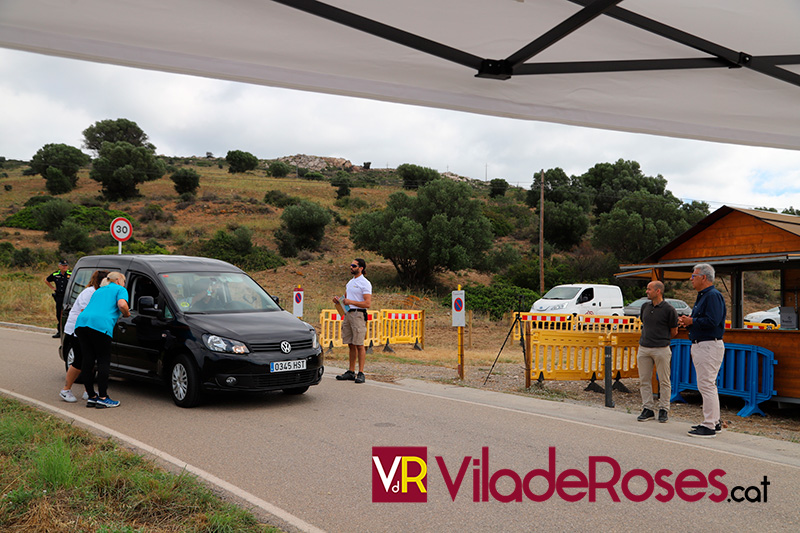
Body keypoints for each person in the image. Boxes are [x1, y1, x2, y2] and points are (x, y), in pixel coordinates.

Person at [678, 263, 726, 438]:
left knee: (706, 385)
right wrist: (690, 321)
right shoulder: (705, 296)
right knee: (708, 384)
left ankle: (709, 425)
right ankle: (715, 421)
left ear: (703, 277)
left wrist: (693, 322)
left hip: (708, 345)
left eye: (693, 276)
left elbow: (713, 321)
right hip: (704, 344)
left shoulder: (712, 296)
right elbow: (707, 319)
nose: (691, 279)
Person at [75, 271, 130, 409]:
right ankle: (103, 397)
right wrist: (127, 314)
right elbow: (122, 305)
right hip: (100, 326)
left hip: (82, 323)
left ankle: (92, 397)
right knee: (103, 360)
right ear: (118, 280)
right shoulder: (120, 289)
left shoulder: (98, 291)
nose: (124, 284)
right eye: (124, 281)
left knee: (88, 360)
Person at [59, 269, 109, 403]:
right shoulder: (89, 292)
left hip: (87, 330)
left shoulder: (99, 293)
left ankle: (88, 391)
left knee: (89, 360)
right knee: (80, 360)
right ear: (102, 281)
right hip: (76, 330)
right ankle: (66, 389)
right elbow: (86, 312)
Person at [635, 280, 678, 423]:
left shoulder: (669, 309)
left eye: (649, 289)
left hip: (661, 349)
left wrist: (661, 339)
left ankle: (664, 409)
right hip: (644, 348)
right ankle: (647, 408)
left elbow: (674, 331)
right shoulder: (644, 307)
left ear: (658, 291)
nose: (647, 291)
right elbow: (644, 323)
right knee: (644, 380)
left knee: (664, 380)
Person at [333, 258, 372, 384]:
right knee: (350, 344)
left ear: (361, 268)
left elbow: (367, 303)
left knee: (359, 344)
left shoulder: (365, 283)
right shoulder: (350, 282)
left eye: (353, 265)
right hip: (348, 314)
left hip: (358, 315)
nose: (351, 267)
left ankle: (361, 372)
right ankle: (351, 371)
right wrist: (339, 300)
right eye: (350, 265)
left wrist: (351, 302)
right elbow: (346, 299)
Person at [45, 259, 71, 338]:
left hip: (68, 297)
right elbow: (46, 280)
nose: (64, 267)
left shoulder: (71, 273)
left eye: (66, 266)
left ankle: (68, 332)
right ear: (59, 266)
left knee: (68, 313)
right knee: (59, 314)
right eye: (63, 266)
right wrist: (53, 288)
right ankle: (60, 331)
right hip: (59, 296)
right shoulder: (55, 274)